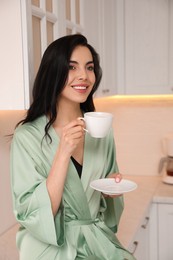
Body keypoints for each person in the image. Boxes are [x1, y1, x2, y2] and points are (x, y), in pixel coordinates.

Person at [10, 34, 135, 260]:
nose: (84, 76)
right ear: (53, 72)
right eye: (71, 67)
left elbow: (107, 212)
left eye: (89, 67)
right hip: (51, 250)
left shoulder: (101, 129)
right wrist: (62, 152)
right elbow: (34, 214)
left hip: (96, 242)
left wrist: (109, 192)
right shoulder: (27, 136)